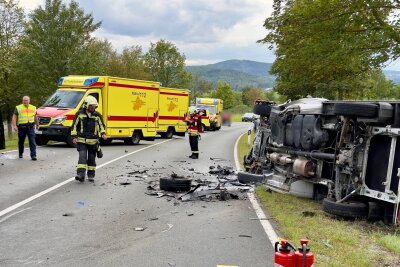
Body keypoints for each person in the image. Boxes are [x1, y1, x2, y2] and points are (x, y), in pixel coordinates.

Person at [71, 95, 107, 182]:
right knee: (82, 157)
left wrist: (103, 134)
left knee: (91, 159)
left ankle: (91, 174)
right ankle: (80, 175)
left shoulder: (97, 115)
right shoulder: (79, 114)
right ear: (86, 105)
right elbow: (74, 126)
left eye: (94, 106)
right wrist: (74, 137)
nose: (93, 108)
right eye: (92, 106)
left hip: (93, 142)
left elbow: (102, 125)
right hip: (82, 141)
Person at [12, 96, 39, 160]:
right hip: (22, 127)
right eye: (24, 100)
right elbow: (14, 117)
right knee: (21, 142)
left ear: (29, 101)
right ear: (22, 101)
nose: (25, 101)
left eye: (26, 100)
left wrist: (37, 124)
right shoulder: (18, 107)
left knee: (32, 141)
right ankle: (20, 153)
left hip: (31, 127)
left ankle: (33, 155)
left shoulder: (33, 107)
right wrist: (14, 126)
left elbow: (35, 117)